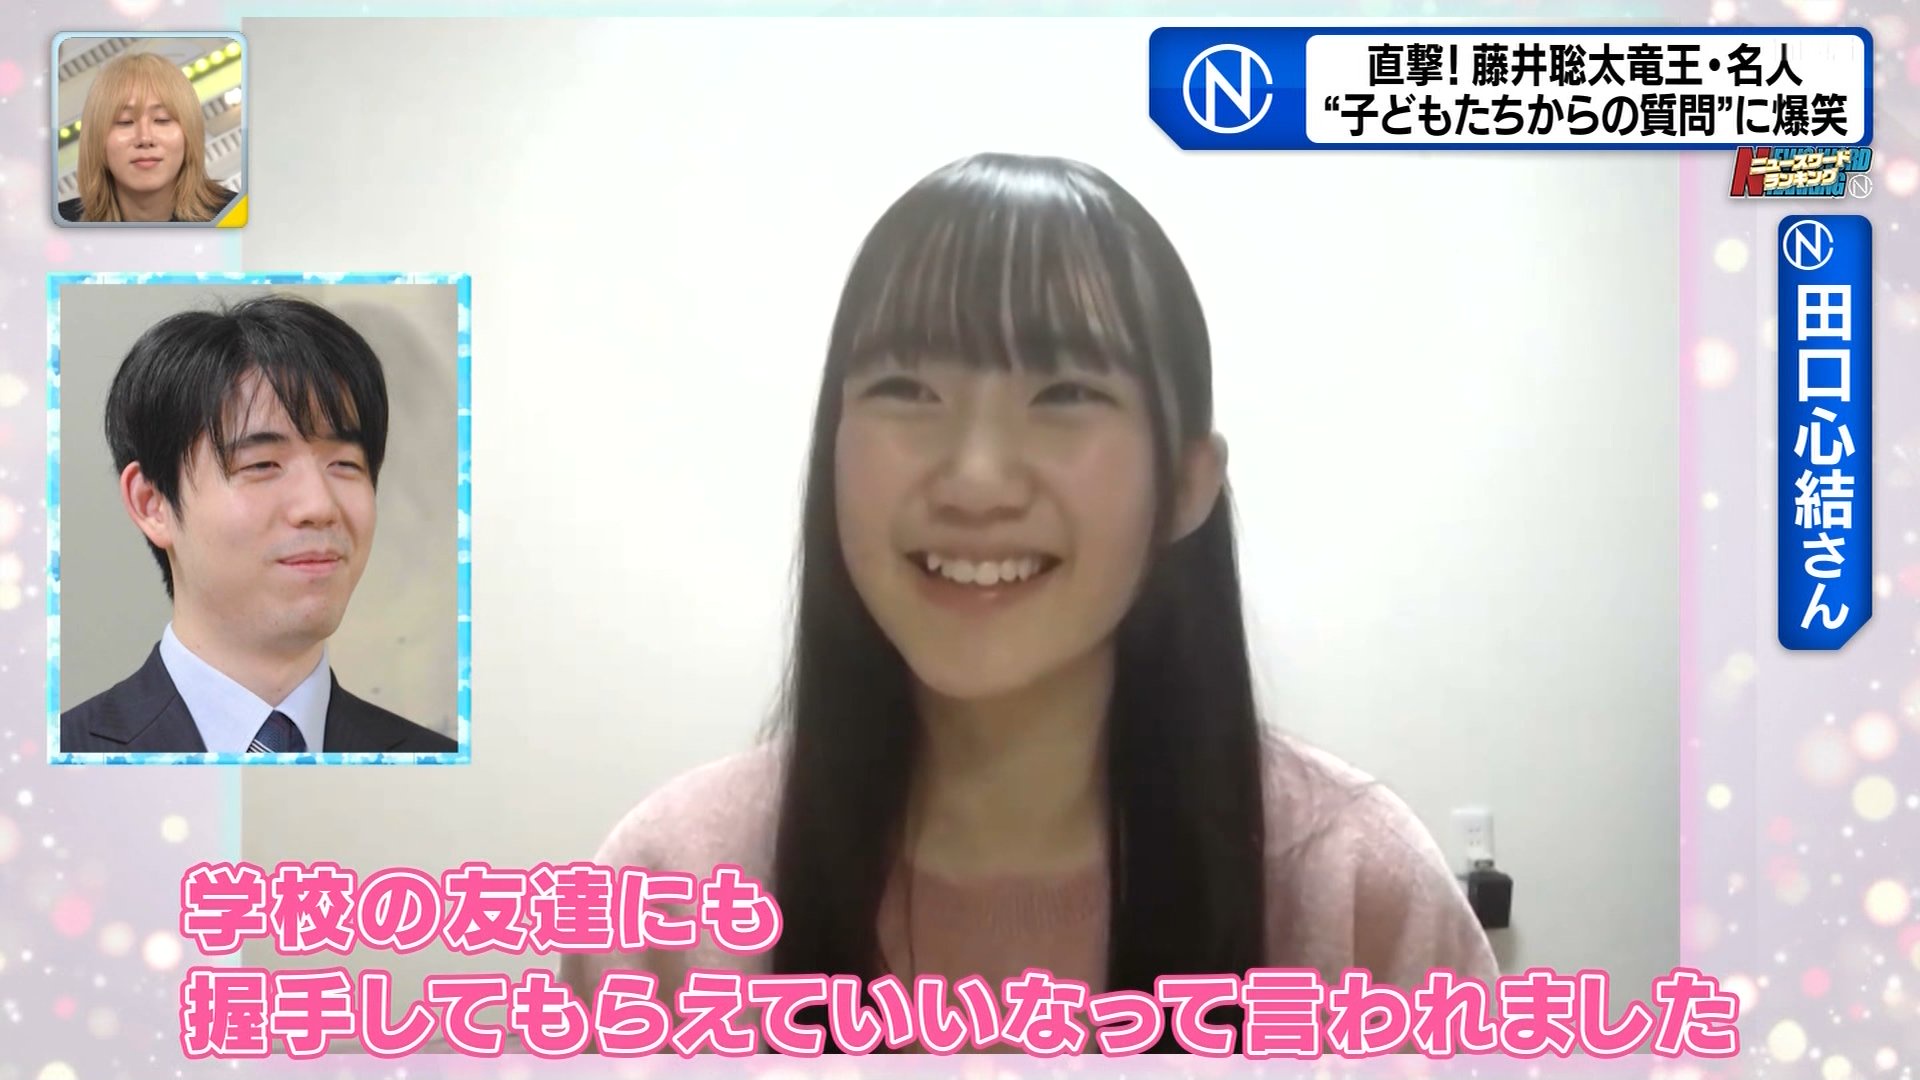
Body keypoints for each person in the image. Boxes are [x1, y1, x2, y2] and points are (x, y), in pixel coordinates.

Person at [562, 153, 1497, 1050]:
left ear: (1185, 484)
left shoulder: (1356, 895)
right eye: (906, 388)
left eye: (1065, 392)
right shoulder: (669, 898)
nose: (975, 480)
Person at [59, 296, 455, 755]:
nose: (319, 506)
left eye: (345, 464)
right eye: (263, 464)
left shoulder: (437, 762)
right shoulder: (61, 759)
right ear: (154, 504)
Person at [57, 51, 236, 224]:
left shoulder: (238, 217)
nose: (145, 138)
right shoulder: (58, 226)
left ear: (190, 133)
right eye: (125, 122)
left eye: (162, 119)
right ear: (96, 140)